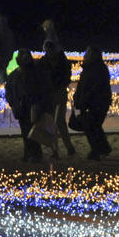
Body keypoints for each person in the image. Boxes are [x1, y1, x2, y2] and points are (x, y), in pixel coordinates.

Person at [71, 46, 113, 160]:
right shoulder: (89, 69)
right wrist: (78, 97)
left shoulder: (97, 69)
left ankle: (97, 150)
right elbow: (82, 86)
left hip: (96, 103)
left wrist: (84, 98)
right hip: (89, 102)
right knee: (93, 126)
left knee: (92, 126)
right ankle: (102, 148)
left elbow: (95, 88)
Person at [40, 24, 75, 157]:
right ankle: (65, 148)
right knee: (58, 122)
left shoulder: (53, 61)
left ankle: (60, 149)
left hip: (56, 93)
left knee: (56, 122)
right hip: (56, 93)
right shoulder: (60, 60)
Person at [5, 48, 42, 161]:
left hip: (32, 105)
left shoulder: (34, 73)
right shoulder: (14, 75)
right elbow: (9, 90)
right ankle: (29, 153)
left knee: (32, 131)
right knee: (25, 131)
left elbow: (40, 90)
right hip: (21, 106)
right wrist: (12, 102)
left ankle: (35, 154)